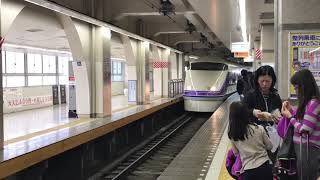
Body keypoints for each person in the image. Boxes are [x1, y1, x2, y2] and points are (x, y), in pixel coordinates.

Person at [280, 69, 320, 180]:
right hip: (301, 148)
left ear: (305, 86)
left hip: (309, 150)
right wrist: (291, 111)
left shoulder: (314, 103)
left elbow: (305, 130)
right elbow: (303, 119)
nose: (296, 91)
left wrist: (290, 117)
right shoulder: (308, 103)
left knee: (306, 177)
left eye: (297, 88)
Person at [228, 101, 273, 180]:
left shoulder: (233, 135)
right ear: (246, 114)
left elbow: (236, 153)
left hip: (249, 172)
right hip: (265, 167)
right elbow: (270, 146)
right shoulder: (259, 128)